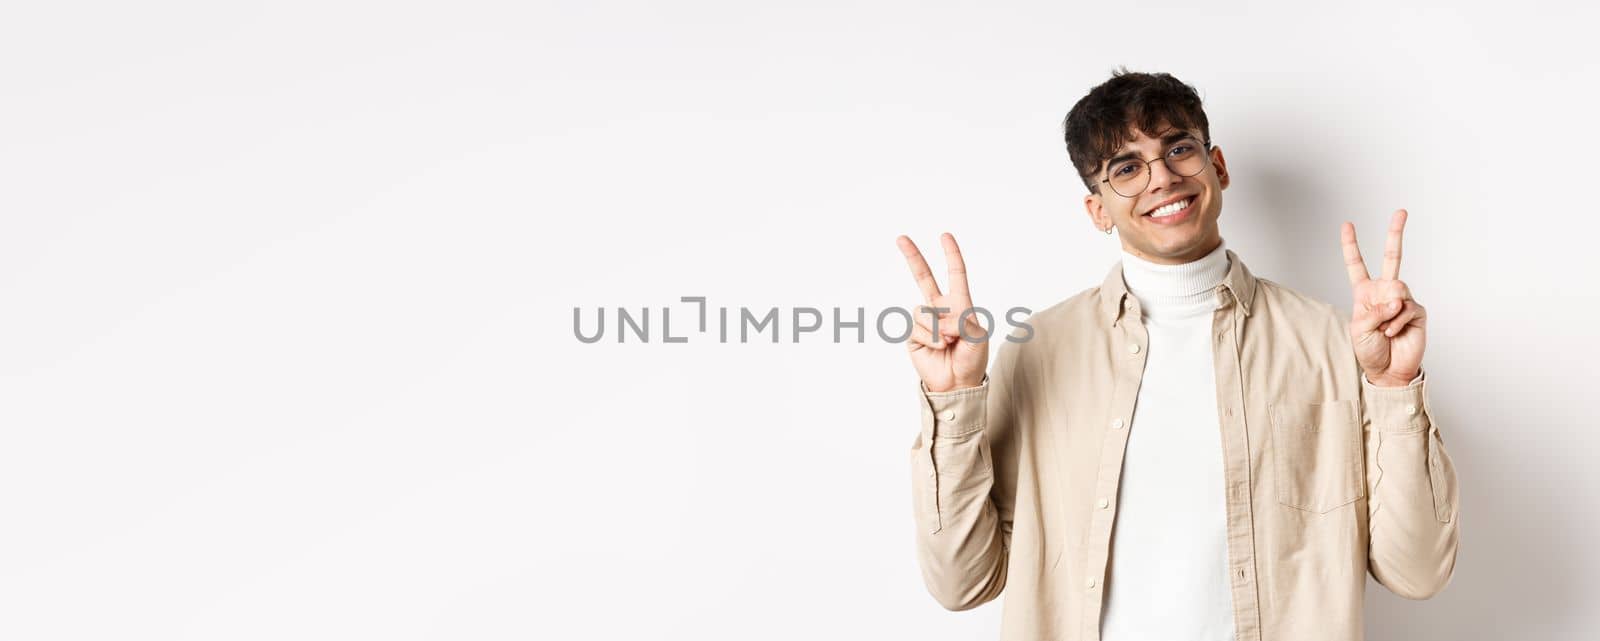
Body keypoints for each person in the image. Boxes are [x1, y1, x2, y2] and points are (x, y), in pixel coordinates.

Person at [897, 70, 1458, 641]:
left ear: (1217, 168)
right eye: (1126, 168)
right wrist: (952, 397)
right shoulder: (1038, 352)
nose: (1161, 178)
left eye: (1178, 149)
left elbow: (1418, 573)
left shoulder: (1336, 345)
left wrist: (1393, 386)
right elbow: (962, 583)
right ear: (1097, 211)